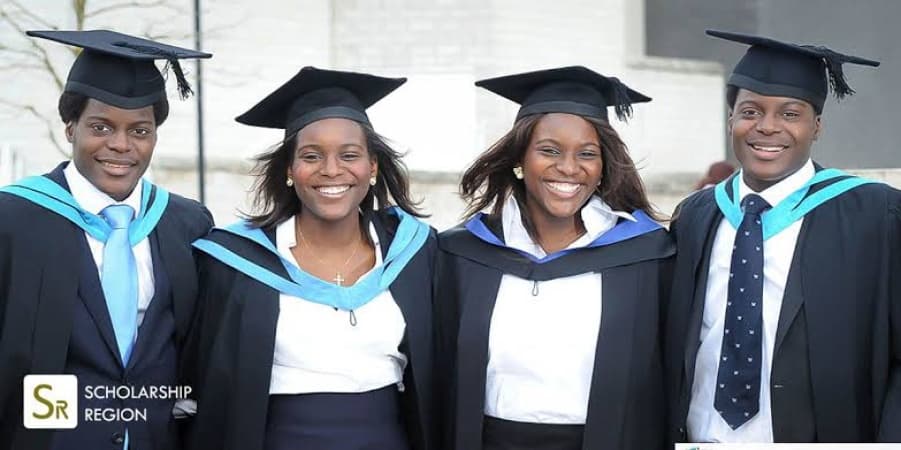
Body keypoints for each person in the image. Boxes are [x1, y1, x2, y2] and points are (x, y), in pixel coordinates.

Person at [666, 30, 901, 444]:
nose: (767, 128)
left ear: (817, 126)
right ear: (731, 121)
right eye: (751, 112)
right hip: (703, 437)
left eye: (790, 114)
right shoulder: (695, 216)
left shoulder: (877, 216)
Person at [185, 66, 437, 450]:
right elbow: (206, 381)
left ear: (372, 167)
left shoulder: (416, 253)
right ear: (290, 169)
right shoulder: (236, 263)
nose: (331, 170)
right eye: (311, 155)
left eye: (349, 155)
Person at [435, 66, 675, 450]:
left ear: (602, 169)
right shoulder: (463, 255)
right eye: (548, 150)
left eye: (587, 154)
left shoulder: (648, 256)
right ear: (519, 160)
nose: (568, 167)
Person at [0, 30, 213, 450]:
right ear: (70, 127)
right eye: (100, 126)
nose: (120, 145)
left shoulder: (185, 225)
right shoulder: (13, 220)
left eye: (140, 130)